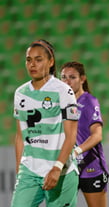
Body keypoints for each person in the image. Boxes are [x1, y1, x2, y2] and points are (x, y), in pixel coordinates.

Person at [11, 40, 79, 207]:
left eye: (38, 59)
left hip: (61, 171)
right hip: (30, 171)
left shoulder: (64, 91)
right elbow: (20, 136)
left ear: (51, 62)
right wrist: (20, 170)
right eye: (28, 59)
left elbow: (71, 136)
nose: (32, 64)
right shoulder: (20, 93)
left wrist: (57, 167)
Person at [60, 61, 109, 207]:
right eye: (63, 77)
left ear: (82, 79)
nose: (67, 81)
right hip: (68, 167)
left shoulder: (89, 101)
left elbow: (97, 135)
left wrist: (76, 151)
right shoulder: (59, 103)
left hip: (90, 167)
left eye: (72, 77)